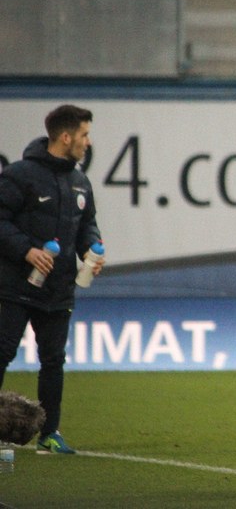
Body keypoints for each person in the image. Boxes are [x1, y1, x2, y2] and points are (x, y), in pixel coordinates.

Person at [0, 105, 105, 455]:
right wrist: (27, 251)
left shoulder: (80, 182)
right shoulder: (20, 175)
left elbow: (87, 225)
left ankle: (49, 432)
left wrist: (91, 251)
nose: (88, 142)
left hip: (58, 289)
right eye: (84, 135)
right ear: (65, 137)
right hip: (15, 287)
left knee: (53, 361)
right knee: (2, 352)